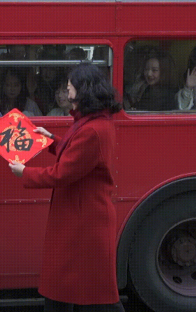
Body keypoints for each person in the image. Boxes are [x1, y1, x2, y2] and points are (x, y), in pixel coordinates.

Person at [8, 63, 124, 312]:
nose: (67, 92)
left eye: (70, 87)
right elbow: (76, 152)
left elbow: (63, 173)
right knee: (82, 289)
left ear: (83, 91)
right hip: (81, 215)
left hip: (83, 220)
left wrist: (24, 172)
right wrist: (50, 139)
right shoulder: (94, 121)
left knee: (87, 291)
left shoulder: (92, 129)